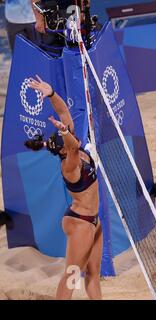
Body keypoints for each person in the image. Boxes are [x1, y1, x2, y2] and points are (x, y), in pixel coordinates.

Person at [24, 75, 102, 300]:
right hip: (80, 223)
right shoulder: (70, 164)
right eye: (69, 139)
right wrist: (66, 134)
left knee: (93, 275)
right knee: (71, 276)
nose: (73, 138)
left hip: (94, 220)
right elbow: (73, 146)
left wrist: (50, 94)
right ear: (63, 151)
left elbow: (63, 113)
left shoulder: (73, 146)